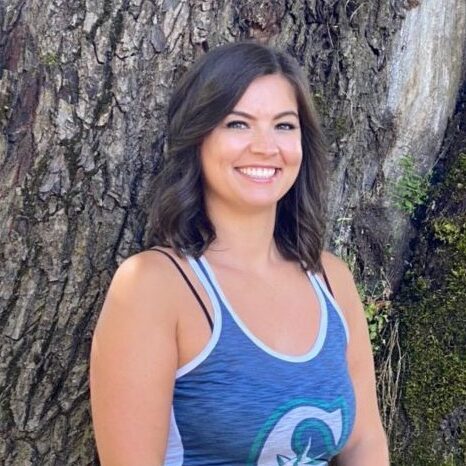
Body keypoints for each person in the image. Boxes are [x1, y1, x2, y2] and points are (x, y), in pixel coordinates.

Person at [90, 41, 389, 465]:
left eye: (284, 126)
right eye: (238, 124)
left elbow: (364, 444)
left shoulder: (332, 280)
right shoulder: (154, 287)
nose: (266, 147)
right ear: (198, 138)